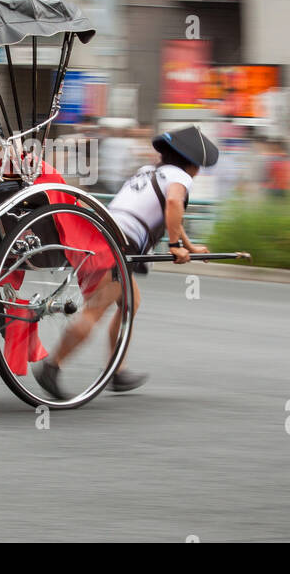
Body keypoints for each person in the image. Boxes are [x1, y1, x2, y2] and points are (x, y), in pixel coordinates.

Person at [33, 125, 219, 399]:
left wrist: (189, 246)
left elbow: (155, 208)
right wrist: (176, 246)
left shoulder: (148, 171)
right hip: (120, 245)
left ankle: (116, 369)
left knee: (131, 302)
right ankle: (52, 366)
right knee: (96, 309)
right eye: (199, 166)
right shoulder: (181, 177)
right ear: (191, 163)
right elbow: (173, 205)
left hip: (103, 234)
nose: (199, 172)